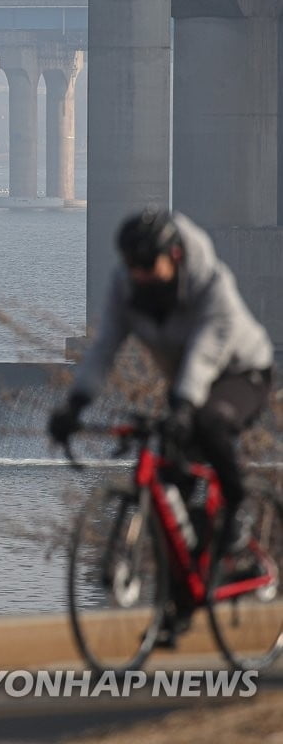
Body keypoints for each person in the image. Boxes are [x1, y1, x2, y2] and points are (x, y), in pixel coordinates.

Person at [48, 208, 274, 644]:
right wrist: (73, 405)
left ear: (173, 255)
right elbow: (103, 349)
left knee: (210, 422)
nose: (141, 275)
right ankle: (183, 599)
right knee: (170, 488)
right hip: (186, 384)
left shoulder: (211, 284)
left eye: (149, 266)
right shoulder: (127, 289)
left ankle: (239, 509)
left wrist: (184, 405)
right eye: (133, 267)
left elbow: (208, 349)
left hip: (242, 373)